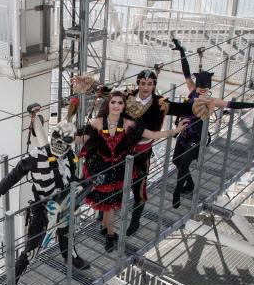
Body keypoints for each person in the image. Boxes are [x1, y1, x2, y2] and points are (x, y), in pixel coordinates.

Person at [72, 71, 214, 237]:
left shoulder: (161, 103)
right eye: (143, 83)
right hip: (122, 151)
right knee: (112, 184)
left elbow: (182, 108)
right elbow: (108, 92)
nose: (146, 87)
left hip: (141, 153)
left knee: (139, 189)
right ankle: (105, 217)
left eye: (150, 84)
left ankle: (135, 220)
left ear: (154, 85)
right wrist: (89, 83)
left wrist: (203, 105)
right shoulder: (127, 96)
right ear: (138, 84)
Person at [0, 120, 90, 285]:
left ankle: (70, 256)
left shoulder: (70, 156)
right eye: (57, 136)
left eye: (66, 139)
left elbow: (71, 179)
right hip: (43, 211)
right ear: (52, 135)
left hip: (65, 205)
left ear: (72, 142)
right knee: (30, 252)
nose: (60, 142)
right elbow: (15, 173)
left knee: (67, 232)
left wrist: (85, 184)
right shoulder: (36, 156)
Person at [76, 90, 191, 250]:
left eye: (120, 103)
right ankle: (107, 230)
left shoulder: (129, 124)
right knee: (106, 201)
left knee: (110, 202)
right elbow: (83, 138)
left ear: (124, 106)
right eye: (113, 102)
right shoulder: (98, 122)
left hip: (118, 169)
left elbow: (151, 134)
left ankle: (107, 230)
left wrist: (173, 131)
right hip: (100, 166)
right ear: (108, 104)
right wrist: (64, 136)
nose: (116, 105)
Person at [170, 38, 254, 208]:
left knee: (183, 164)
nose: (203, 90)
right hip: (184, 132)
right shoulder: (191, 90)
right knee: (176, 160)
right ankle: (190, 185)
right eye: (201, 87)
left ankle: (176, 193)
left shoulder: (212, 100)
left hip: (196, 136)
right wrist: (182, 51)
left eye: (206, 87)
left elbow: (233, 105)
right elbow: (186, 72)